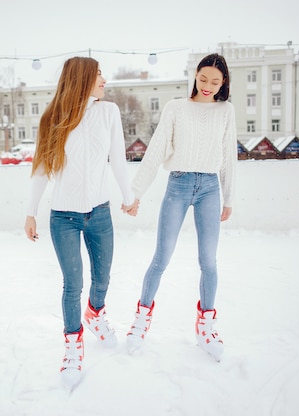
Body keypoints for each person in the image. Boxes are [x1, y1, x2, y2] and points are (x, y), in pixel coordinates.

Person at [23, 57, 138, 390]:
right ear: (83, 78)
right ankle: (73, 345)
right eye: (99, 74)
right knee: (72, 283)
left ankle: (96, 313)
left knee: (102, 278)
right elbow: (43, 168)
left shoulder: (109, 112)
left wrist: (128, 197)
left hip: (100, 212)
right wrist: (30, 212)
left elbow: (117, 157)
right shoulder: (53, 118)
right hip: (64, 217)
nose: (104, 79)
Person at [125, 53, 237, 362]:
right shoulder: (176, 108)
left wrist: (228, 197)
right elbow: (157, 150)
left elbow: (228, 156)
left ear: (223, 83)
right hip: (179, 183)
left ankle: (207, 325)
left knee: (209, 261)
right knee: (161, 257)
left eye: (215, 82)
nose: (207, 86)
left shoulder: (226, 110)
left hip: (210, 188)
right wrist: (135, 193)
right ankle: (141, 320)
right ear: (195, 75)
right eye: (203, 79)